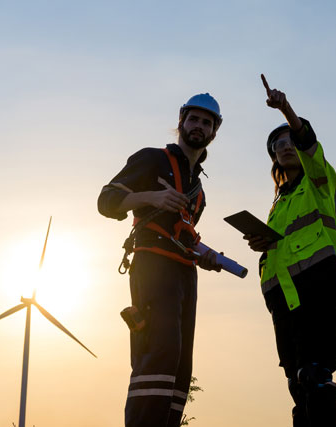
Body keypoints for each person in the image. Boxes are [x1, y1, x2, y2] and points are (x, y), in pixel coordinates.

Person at [98, 93, 223, 427]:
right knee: (158, 354)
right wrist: (152, 196)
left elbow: (184, 235)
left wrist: (207, 256)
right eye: (194, 119)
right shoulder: (151, 159)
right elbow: (106, 200)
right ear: (181, 122)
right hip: (151, 267)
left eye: (207, 122)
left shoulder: (199, 190)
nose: (199, 126)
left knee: (181, 366)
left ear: (214, 132)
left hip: (185, 274)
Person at [244, 75, 336, 427]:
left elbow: (308, 141)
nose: (285, 146)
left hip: (317, 289)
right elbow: (284, 245)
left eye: (289, 141)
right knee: (296, 384)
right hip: (283, 299)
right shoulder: (277, 204)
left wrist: (285, 109)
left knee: (317, 378)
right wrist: (263, 244)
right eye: (278, 145)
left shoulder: (320, 181)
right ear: (273, 156)